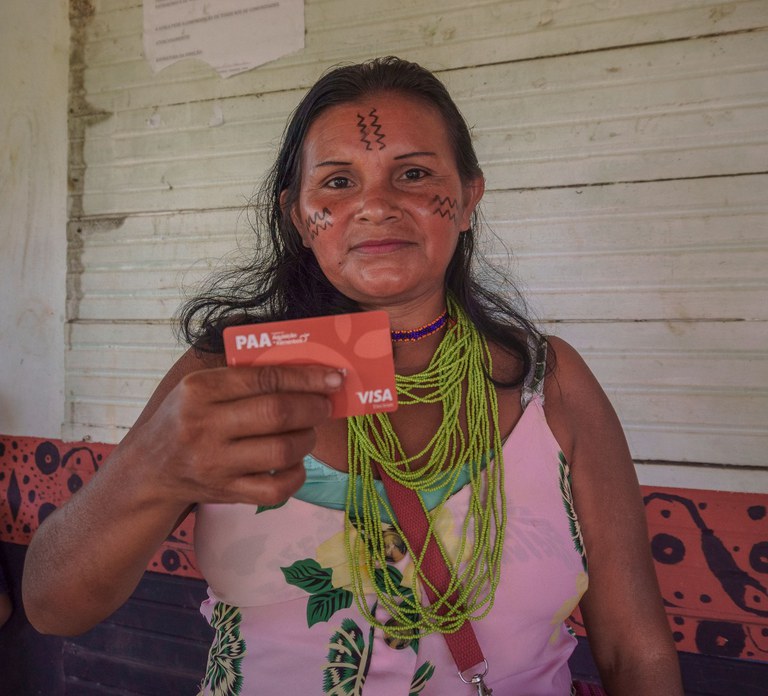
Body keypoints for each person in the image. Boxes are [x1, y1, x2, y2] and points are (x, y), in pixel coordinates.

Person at [22, 57, 683, 694]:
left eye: (414, 173)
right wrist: (152, 469)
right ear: (298, 216)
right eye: (338, 182)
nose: (375, 204)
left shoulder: (549, 383)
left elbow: (635, 648)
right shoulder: (225, 377)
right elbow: (52, 606)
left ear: (468, 198)